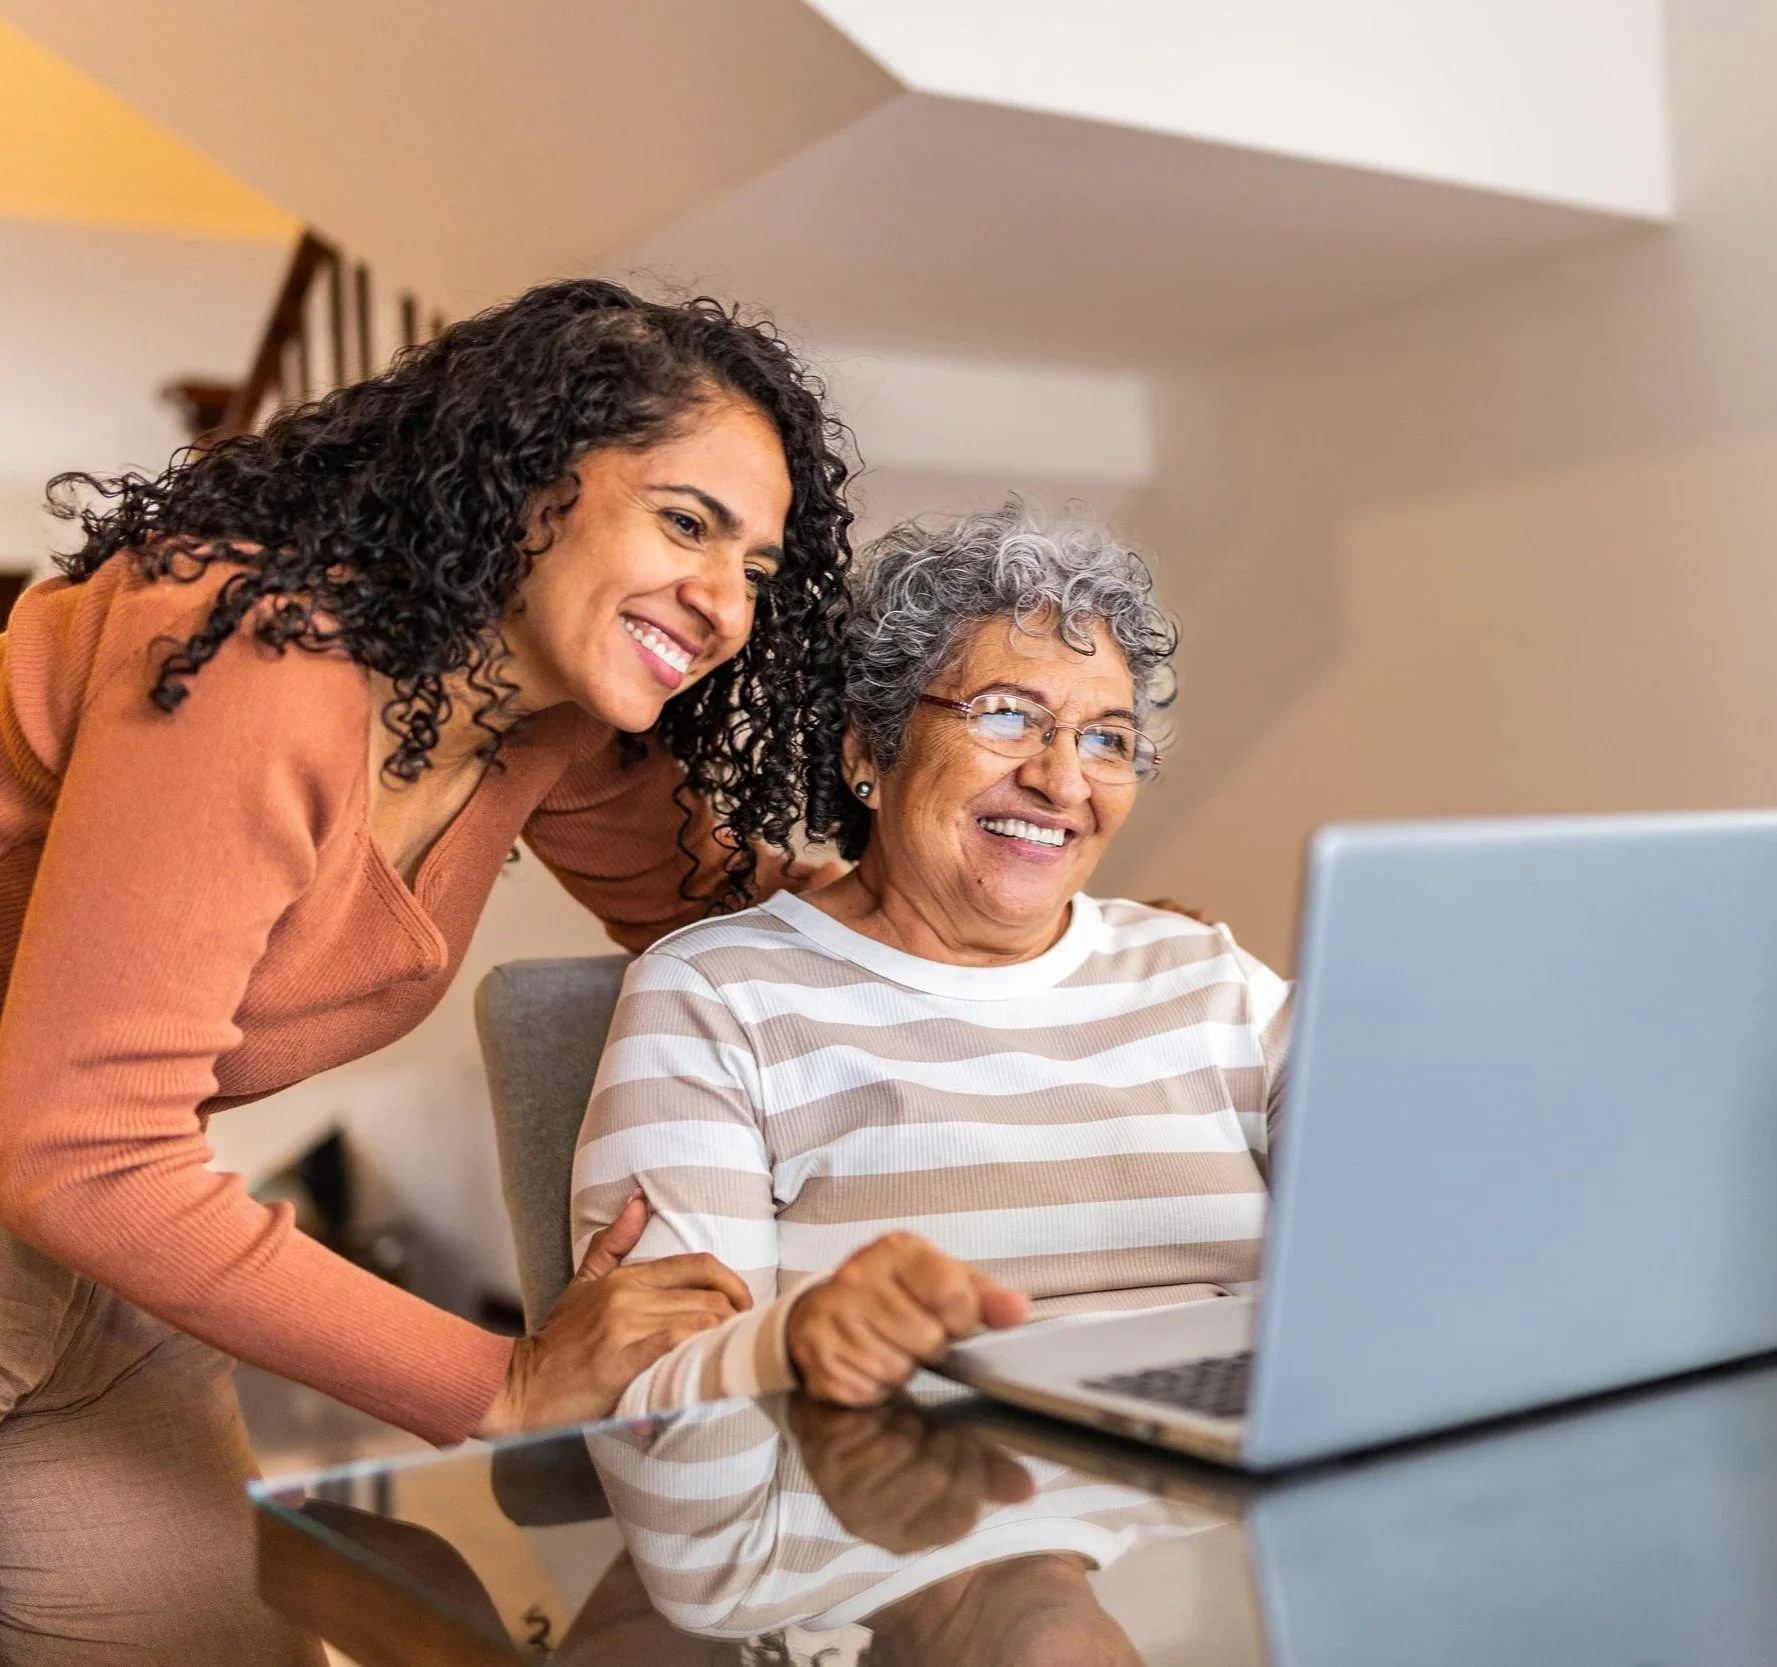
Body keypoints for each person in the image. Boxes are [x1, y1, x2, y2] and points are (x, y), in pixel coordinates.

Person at [0, 279, 854, 1665]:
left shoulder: (540, 728)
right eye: (686, 522)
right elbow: (86, 1143)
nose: (723, 604)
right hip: (65, 1186)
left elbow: (743, 914)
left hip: (75, 1259)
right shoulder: (260, 654)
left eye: (756, 568)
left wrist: (1068, 935)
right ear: (528, 484)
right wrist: (504, 1378)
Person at [571, 497, 1291, 1415]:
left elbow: (1428, 1224)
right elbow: (655, 1402)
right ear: (870, 749)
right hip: (913, 1511)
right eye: (1004, 716)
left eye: (1106, 737)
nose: (1061, 780)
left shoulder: (1207, 973)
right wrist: (786, 1344)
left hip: (1231, 1507)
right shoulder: (716, 995)